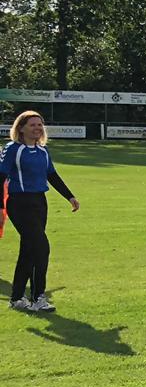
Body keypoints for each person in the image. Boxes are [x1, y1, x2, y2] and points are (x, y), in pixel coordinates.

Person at [1, 111, 80, 312]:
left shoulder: (43, 151)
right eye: (32, 125)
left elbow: (52, 175)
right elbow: (0, 176)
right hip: (20, 203)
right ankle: (38, 298)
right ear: (21, 128)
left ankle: (17, 298)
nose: (37, 128)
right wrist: (0, 207)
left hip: (39, 202)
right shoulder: (13, 149)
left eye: (39, 125)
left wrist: (70, 196)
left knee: (29, 250)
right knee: (41, 248)